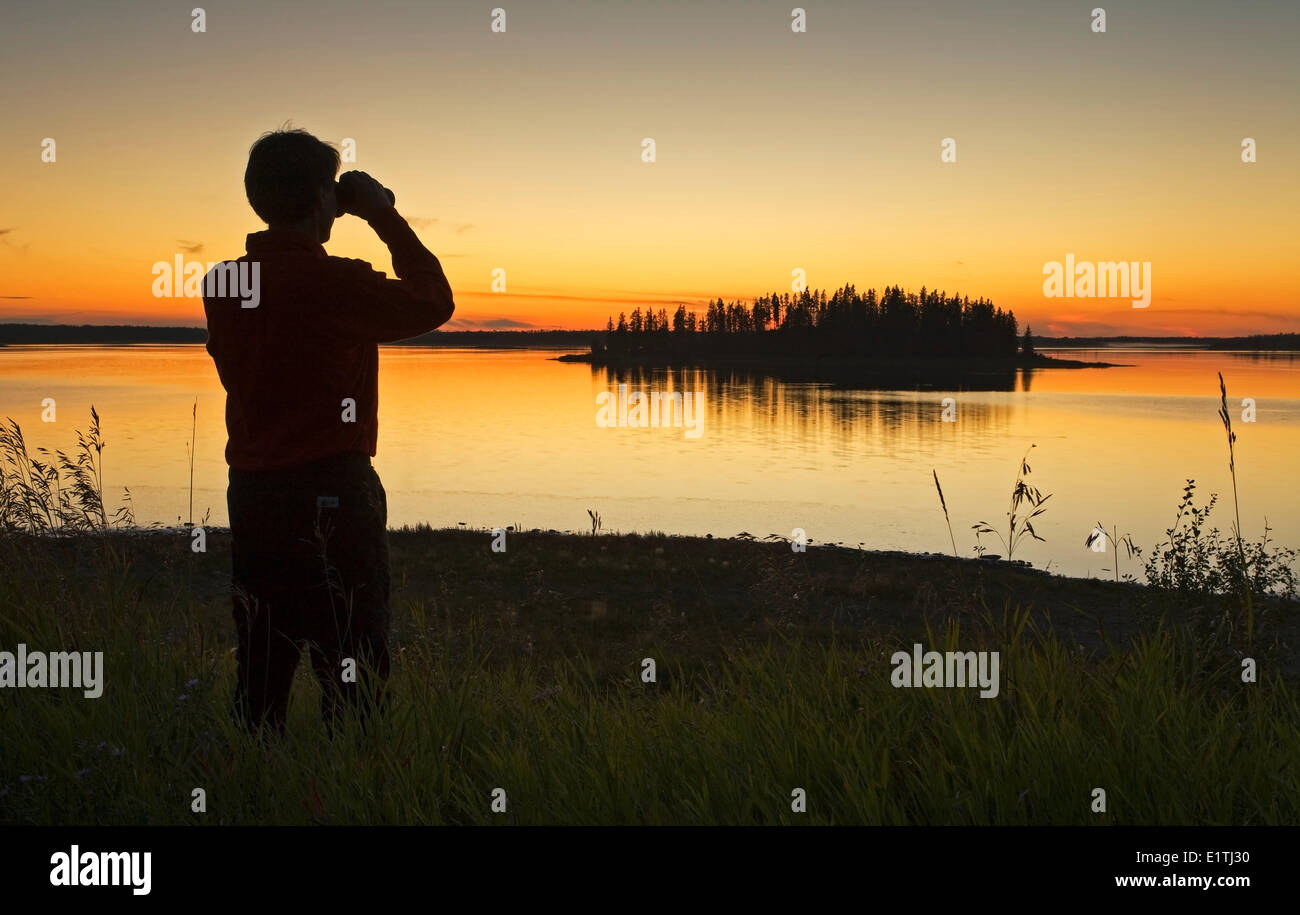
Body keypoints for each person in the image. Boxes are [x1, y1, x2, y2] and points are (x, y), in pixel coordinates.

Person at [202, 128, 455, 736]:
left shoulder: (222, 284)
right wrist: (382, 214)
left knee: (261, 662)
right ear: (322, 198)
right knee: (354, 665)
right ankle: (353, 789)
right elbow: (433, 300)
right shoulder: (338, 282)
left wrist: (326, 209)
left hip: (255, 495)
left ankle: (256, 787)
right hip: (333, 492)